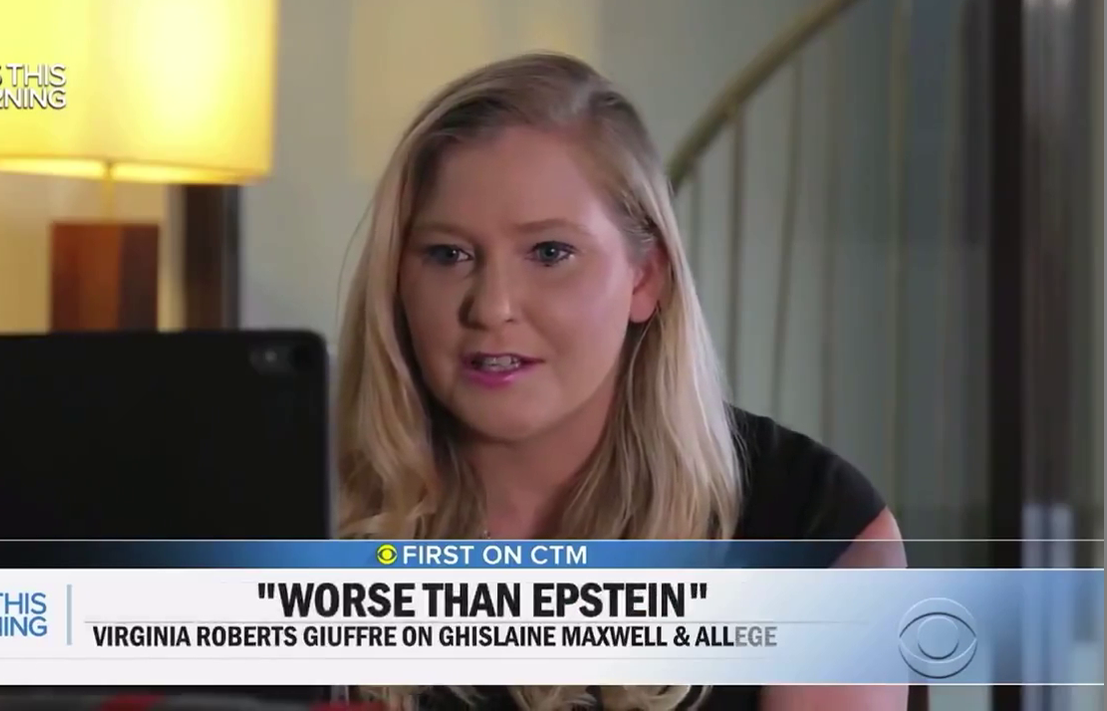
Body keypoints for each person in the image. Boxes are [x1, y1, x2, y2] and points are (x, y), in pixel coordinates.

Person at [334, 52, 907, 711]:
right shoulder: (302, 517)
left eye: (550, 253)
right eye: (449, 254)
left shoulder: (811, 526)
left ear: (645, 277)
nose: (491, 307)